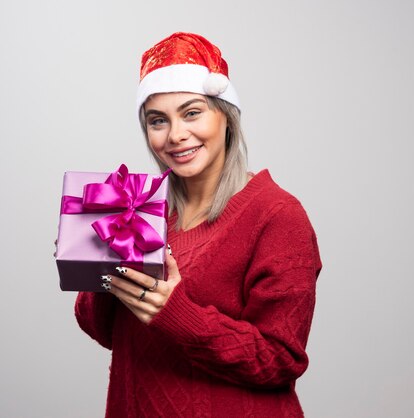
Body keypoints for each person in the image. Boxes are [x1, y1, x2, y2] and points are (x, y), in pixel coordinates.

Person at [74, 32, 322, 417]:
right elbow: (113, 335)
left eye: (192, 113)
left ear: (226, 116)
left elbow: (280, 360)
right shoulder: (137, 209)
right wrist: (91, 265)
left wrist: (174, 311)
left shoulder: (277, 216)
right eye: (158, 121)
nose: (175, 135)